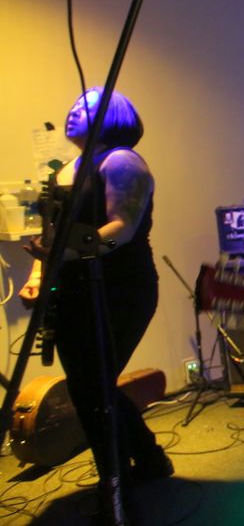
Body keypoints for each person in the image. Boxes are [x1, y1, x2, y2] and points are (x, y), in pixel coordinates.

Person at [18, 87, 171, 494]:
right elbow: (52, 236)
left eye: (84, 105)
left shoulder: (122, 161)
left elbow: (123, 228)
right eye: (73, 104)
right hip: (73, 289)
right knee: (90, 385)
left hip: (120, 287)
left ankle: (115, 486)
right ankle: (149, 459)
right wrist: (38, 274)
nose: (73, 110)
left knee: (93, 386)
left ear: (115, 114)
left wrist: (67, 254)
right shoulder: (64, 171)